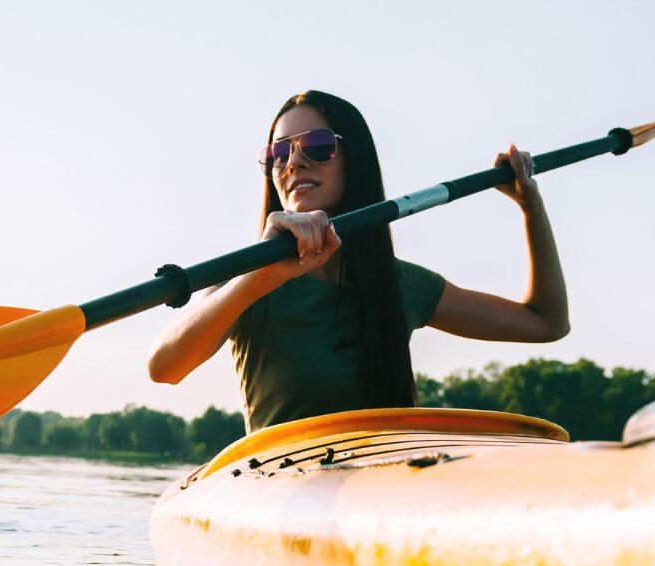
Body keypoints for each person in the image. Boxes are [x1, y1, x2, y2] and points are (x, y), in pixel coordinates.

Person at [148, 91, 572, 431]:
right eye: (279, 153)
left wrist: (531, 207)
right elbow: (165, 367)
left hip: (379, 483)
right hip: (279, 487)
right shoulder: (243, 279)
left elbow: (546, 323)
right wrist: (261, 276)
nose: (294, 162)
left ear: (356, 162)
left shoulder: (401, 284)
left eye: (316, 146)